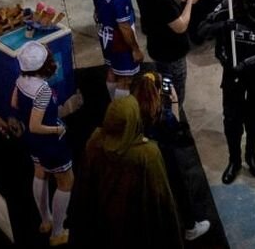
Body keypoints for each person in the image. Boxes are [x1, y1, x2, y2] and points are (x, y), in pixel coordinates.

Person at [70, 97, 183, 249]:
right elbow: (162, 200)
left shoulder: (94, 143)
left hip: (100, 224)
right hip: (137, 226)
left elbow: (82, 187)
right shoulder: (147, 154)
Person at [198, 0, 255, 183]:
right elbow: (202, 29)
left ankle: (251, 154)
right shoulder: (228, 5)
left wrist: (248, 63)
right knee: (232, 120)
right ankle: (234, 160)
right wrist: (222, 26)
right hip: (232, 74)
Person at [130, 73, 212, 243]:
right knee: (180, 192)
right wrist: (174, 102)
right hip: (167, 163)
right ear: (158, 91)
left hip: (141, 165)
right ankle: (190, 228)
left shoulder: (131, 114)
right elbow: (177, 135)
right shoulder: (163, 117)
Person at [10, 42, 73, 245]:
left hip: (33, 141)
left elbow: (14, 103)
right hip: (50, 142)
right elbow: (35, 125)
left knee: (40, 172)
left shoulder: (20, 80)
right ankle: (57, 232)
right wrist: (57, 129)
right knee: (66, 182)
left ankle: (46, 221)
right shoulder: (43, 90)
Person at [135, 0, 199, 106]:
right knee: (173, 88)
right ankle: (172, 111)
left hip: (155, 46)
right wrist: (190, 2)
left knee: (163, 79)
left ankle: (164, 104)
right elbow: (180, 26)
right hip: (171, 53)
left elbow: (164, 8)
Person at [92, 0, 143, 99]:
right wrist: (135, 49)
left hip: (104, 35)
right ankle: (121, 108)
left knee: (112, 69)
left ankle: (112, 101)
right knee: (125, 78)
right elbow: (124, 27)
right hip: (119, 40)